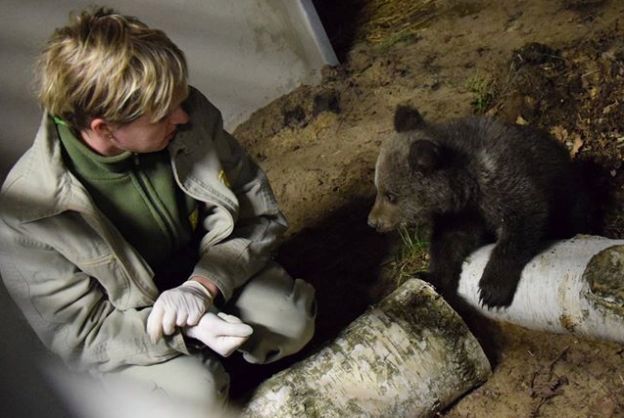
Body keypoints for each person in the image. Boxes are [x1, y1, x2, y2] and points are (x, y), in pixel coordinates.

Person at [0, 6, 316, 412]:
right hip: (138, 328)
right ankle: (203, 370)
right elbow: (82, 335)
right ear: (104, 128)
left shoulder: (189, 116)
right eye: (163, 113)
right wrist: (188, 328)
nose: (181, 116)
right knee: (194, 392)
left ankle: (242, 362)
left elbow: (262, 218)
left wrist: (204, 286)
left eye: (178, 101)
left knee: (289, 320)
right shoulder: (27, 213)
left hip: (212, 276)